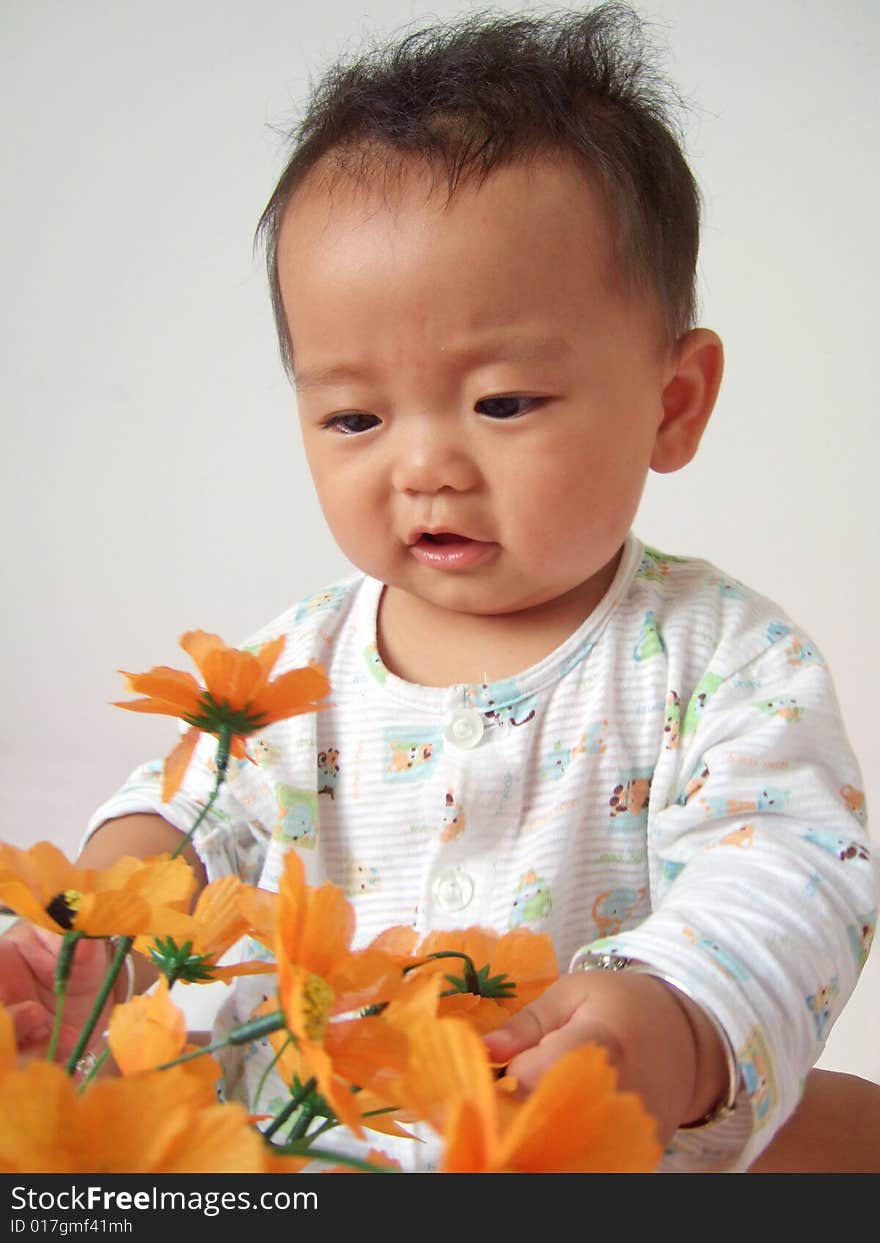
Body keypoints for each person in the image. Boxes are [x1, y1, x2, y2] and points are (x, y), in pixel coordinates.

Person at [2, 5, 876, 1172]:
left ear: (672, 404)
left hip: (581, 1136)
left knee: (836, 1125)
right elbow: (192, 811)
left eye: (502, 402)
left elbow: (790, 875)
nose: (423, 465)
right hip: (316, 1137)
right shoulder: (292, 670)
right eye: (355, 416)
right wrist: (97, 921)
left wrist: (673, 1021)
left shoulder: (720, 660)